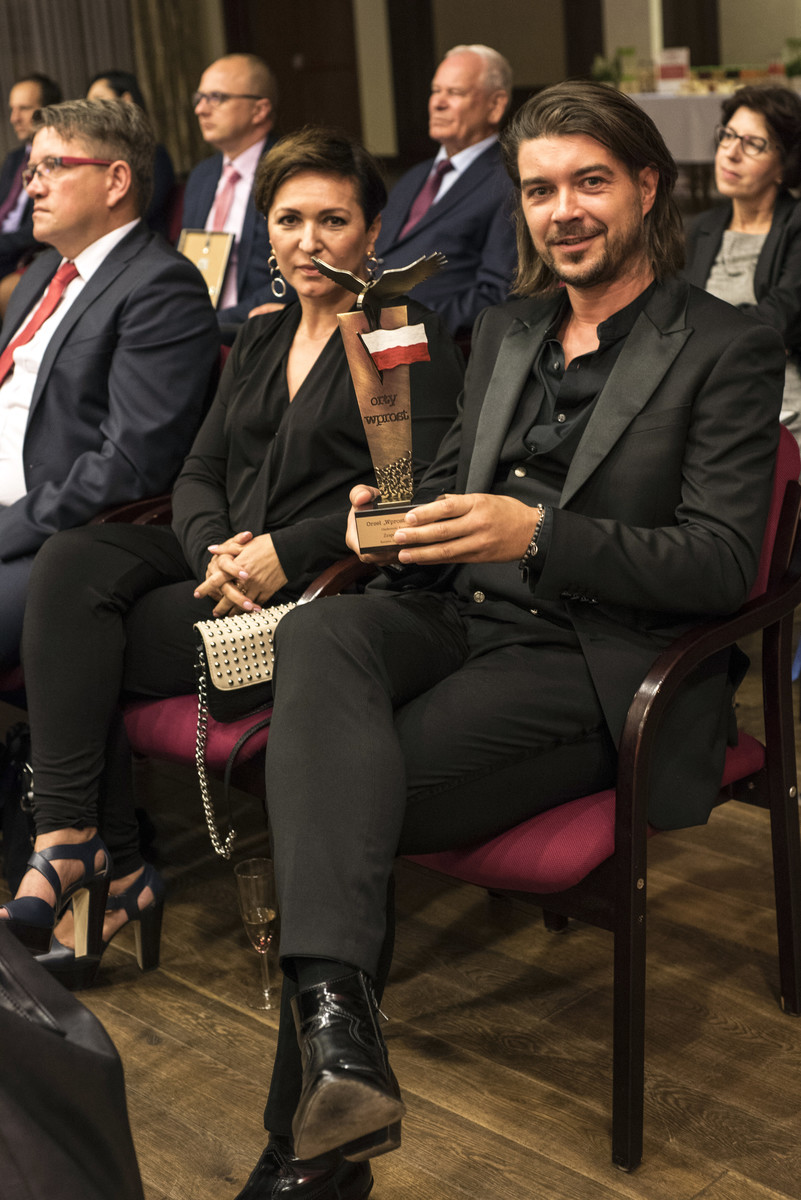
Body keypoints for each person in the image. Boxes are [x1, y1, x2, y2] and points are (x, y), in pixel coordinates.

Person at [231, 81, 785, 1200]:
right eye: (538, 190)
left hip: (590, 655)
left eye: (589, 182)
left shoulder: (728, 343)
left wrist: (541, 535)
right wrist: (388, 519)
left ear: (646, 186)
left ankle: (309, 1145)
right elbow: (442, 485)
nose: (561, 210)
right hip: (451, 614)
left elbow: (725, 564)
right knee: (325, 635)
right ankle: (337, 1055)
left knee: (335, 798)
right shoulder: (507, 328)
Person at [1, 128, 464, 992]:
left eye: (333, 220)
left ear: (371, 232)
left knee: (78, 642)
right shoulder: (261, 333)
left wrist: (286, 550)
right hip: (224, 567)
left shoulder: (392, 334)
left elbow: (405, 508)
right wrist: (214, 550)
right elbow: (199, 470)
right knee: (70, 560)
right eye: (288, 220)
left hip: (321, 596)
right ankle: (73, 839)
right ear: (266, 231)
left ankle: (104, 861)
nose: (308, 241)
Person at [0, 98, 219, 670]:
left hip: (52, 538)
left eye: (52, 166)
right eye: (30, 170)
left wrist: (7, 527)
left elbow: (128, 465)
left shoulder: (160, 286)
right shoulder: (42, 272)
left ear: (116, 180)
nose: (32, 186)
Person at [684, 86, 801, 446]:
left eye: (753, 144)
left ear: (785, 165)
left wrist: (701, 332)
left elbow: (779, 320)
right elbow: (674, 313)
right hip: (705, 396)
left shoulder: (797, 225)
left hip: (780, 399)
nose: (730, 153)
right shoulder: (702, 227)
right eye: (729, 135)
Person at [375, 44, 517, 338]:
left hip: (428, 344)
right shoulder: (412, 177)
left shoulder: (510, 181)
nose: (437, 103)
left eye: (455, 93)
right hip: (361, 332)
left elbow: (497, 295)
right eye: (435, 91)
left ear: (495, 105)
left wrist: (403, 325)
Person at [182, 53, 285, 326]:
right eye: (199, 98)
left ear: (259, 110)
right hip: (196, 322)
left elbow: (300, 274)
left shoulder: (289, 173)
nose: (200, 109)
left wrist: (218, 322)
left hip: (258, 326)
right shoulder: (202, 176)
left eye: (216, 97)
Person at [86, 69, 176, 237]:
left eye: (98, 100)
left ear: (126, 100)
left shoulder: (156, 155)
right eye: (88, 103)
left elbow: (142, 209)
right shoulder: (91, 154)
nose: (91, 110)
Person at [0, 73, 62, 279]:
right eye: (12, 109)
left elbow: (40, 229)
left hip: (27, 258)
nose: (14, 118)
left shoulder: (59, 159)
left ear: (48, 110)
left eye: (24, 108)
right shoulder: (14, 159)